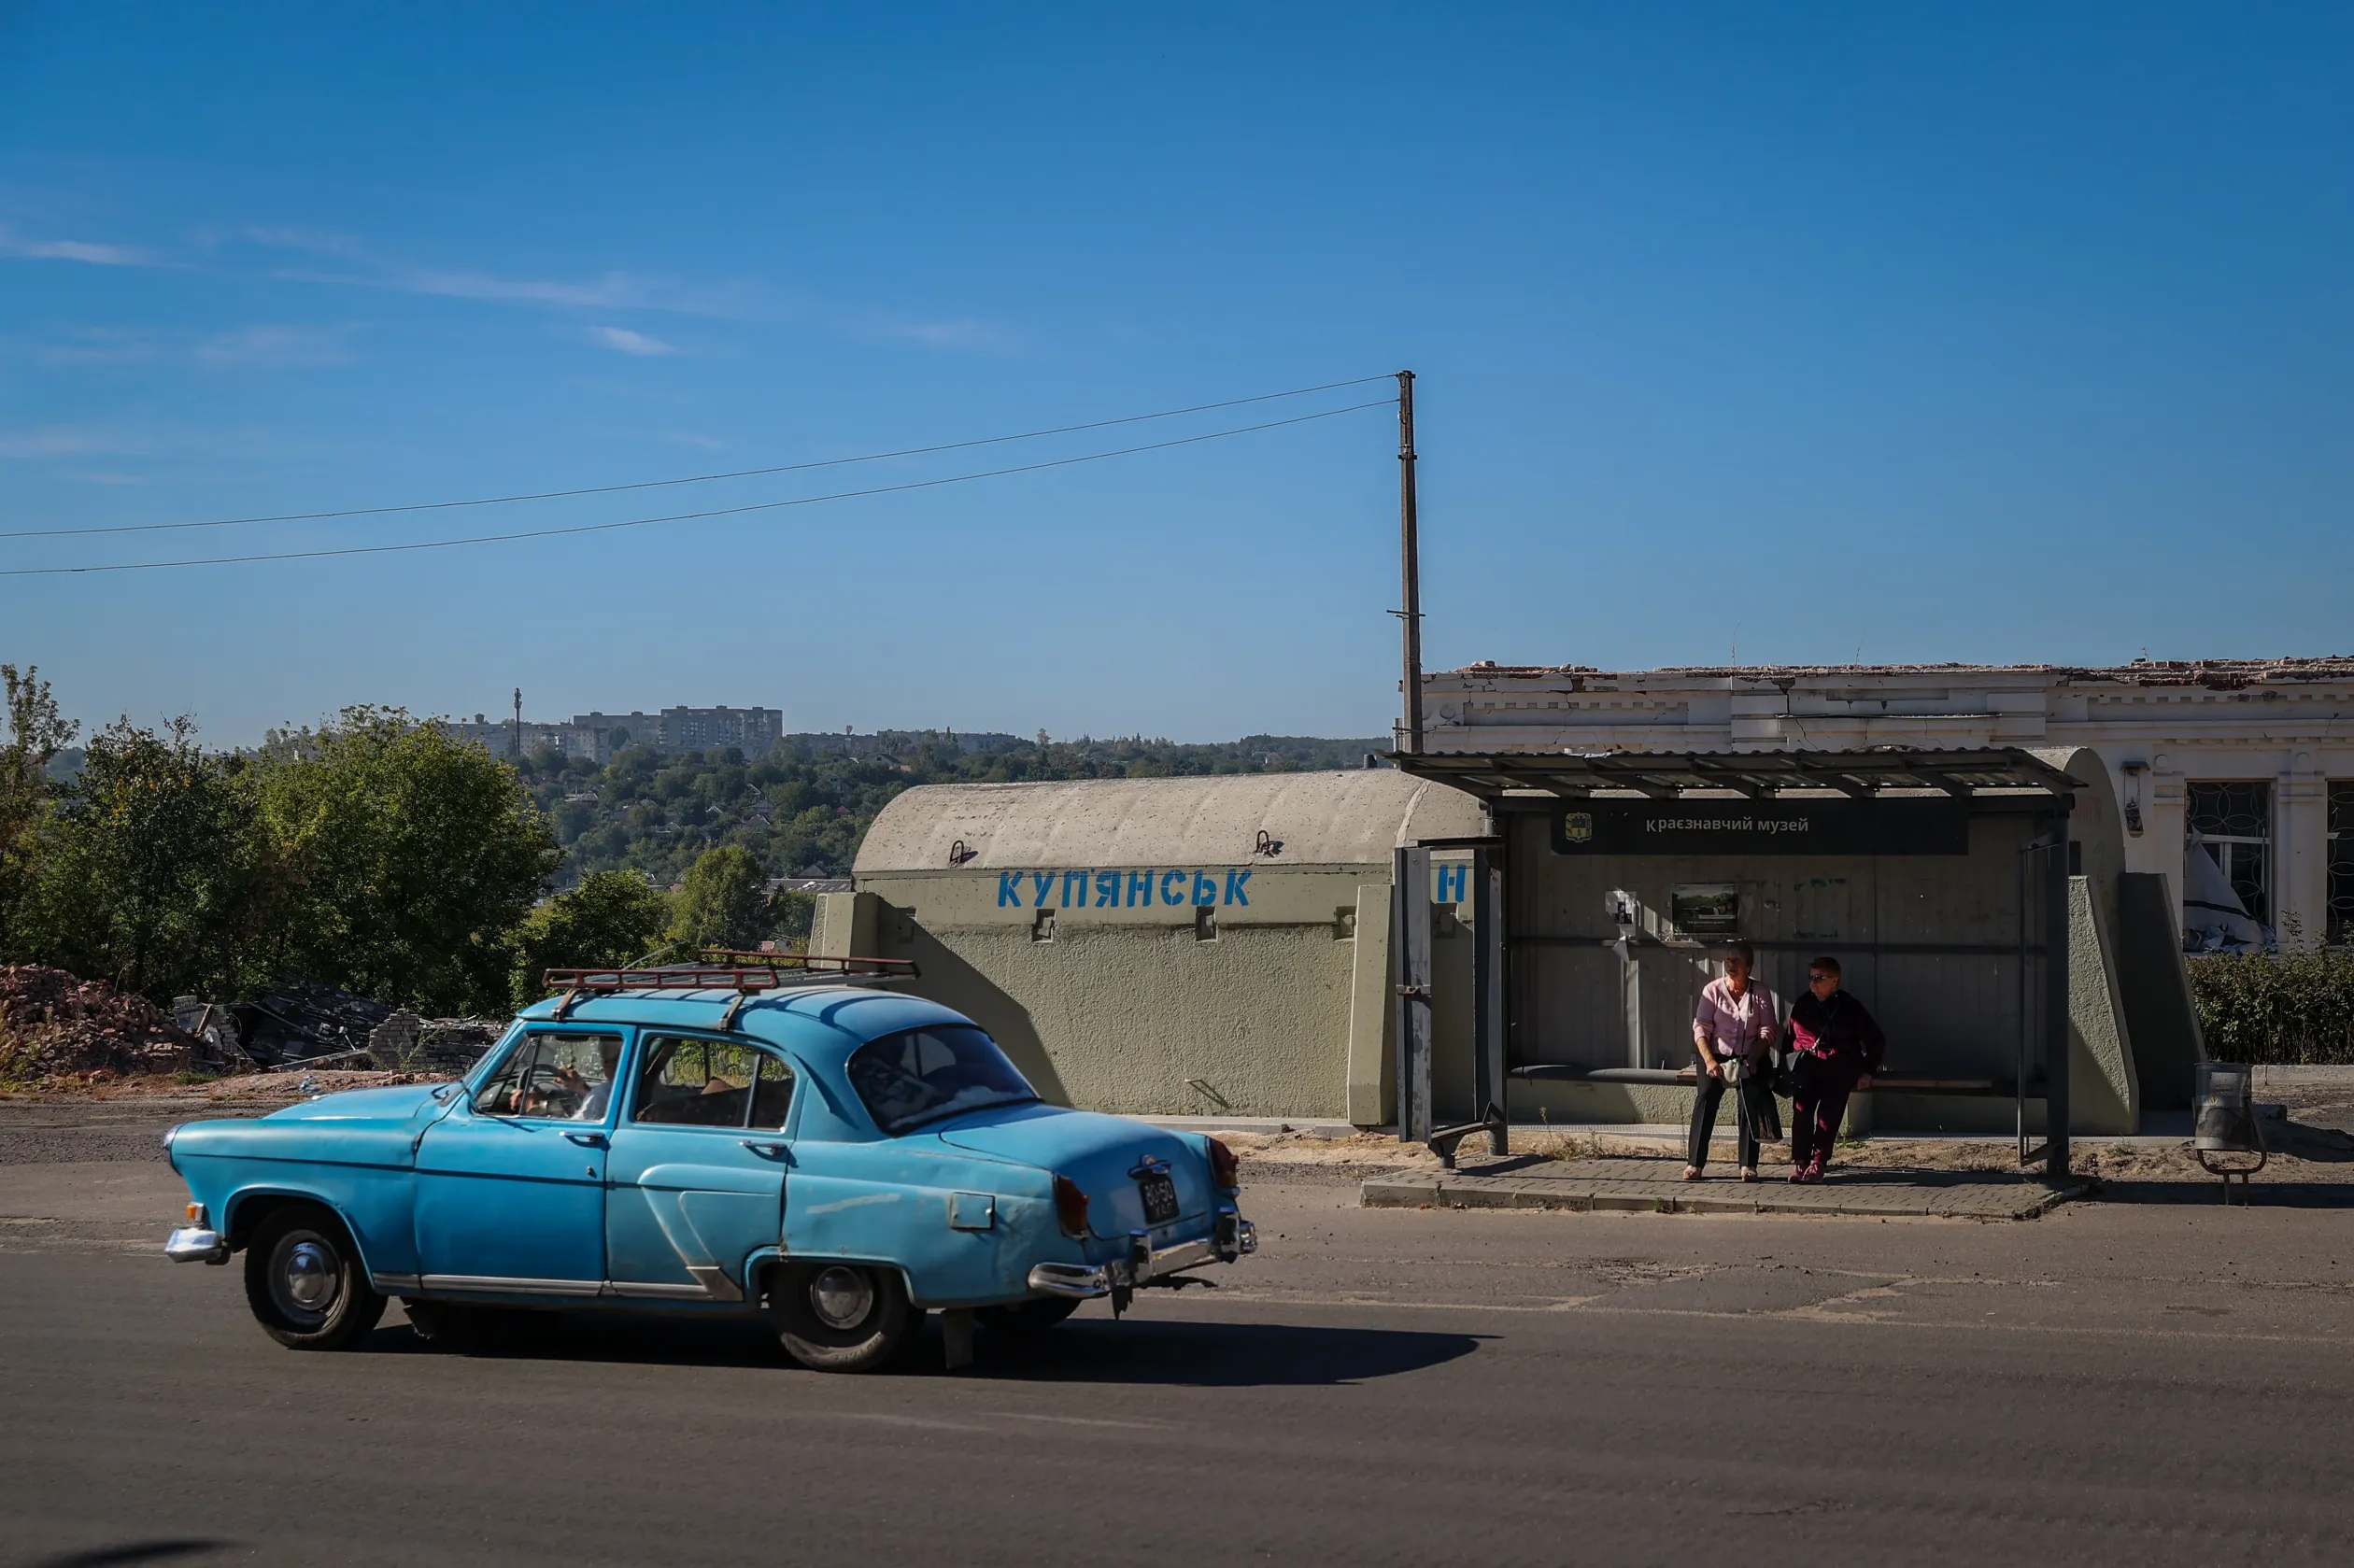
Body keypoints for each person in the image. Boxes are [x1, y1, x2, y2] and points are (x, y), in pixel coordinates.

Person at [1785, 955, 1885, 1183]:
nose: (1813, 982)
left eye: (1819, 978)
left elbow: (1876, 1040)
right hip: (1806, 1070)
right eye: (1811, 977)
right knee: (1801, 1115)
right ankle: (1800, 1163)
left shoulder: (1849, 1007)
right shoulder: (1802, 1005)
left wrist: (1867, 1071)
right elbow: (1788, 1039)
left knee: (1827, 1118)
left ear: (1835, 981)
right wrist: (1787, 1068)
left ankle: (1818, 1163)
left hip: (1837, 1071)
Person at [1686, 941, 1780, 1182]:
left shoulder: (1759, 992)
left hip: (1750, 1055)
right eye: (1728, 960)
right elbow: (1701, 1029)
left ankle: (1748, 1165)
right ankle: (1695, 1163)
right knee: (1705, 1098)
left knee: (1749, 1099)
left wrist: (1752, 1059)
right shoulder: (1712, 990)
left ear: (1749, 966)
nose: (1731, 965)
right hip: (1716, 1054)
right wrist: (1709, 1061)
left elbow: (1768, 1031)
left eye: (1737, 961)